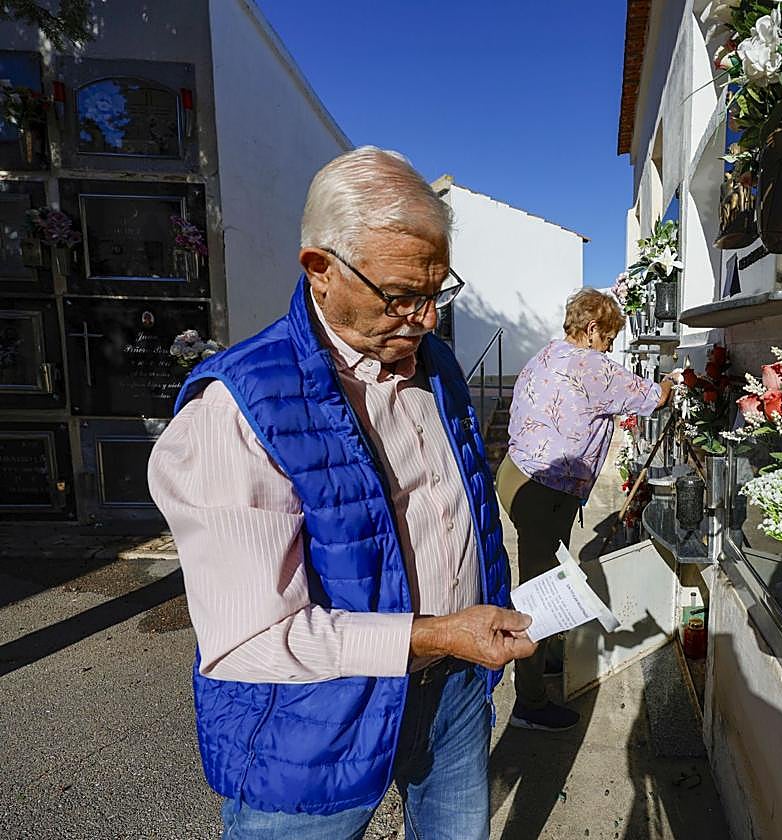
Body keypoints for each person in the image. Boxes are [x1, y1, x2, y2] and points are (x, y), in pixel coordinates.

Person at [147, 146, 536, 840]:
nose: (425, 320)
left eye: (437, 292)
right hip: (311, 725)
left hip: (452, 689)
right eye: (400, 296)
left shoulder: (436, 364)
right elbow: (248, 642)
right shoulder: (238, 407)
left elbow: (460, 508)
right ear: (320, 271)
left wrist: (475, 624)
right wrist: (438, 632)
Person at [496, 288, 676, 731]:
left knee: (551, 576)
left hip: (515, 475)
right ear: (592, 329)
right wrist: (675, 381)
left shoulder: (546, 354)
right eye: (609, 336)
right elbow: (654, 397)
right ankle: (529, 702)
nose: (610, 346)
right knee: (539, 595)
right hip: (543, 490)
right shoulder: (592, 366)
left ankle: (551, 656)